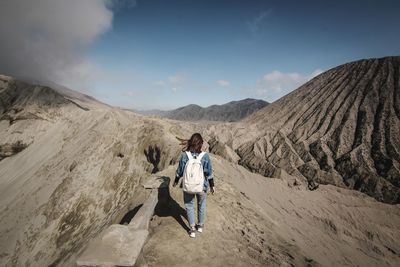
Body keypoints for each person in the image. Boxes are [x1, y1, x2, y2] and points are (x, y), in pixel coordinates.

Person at [173, 133, 215, 238]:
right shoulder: (205, 156)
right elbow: (209, 173)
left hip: (188, 187)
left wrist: (176, 181)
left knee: (189, 206)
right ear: (200, 144)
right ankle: (200, 226)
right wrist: (212, 186)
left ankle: (192, 230)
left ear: (191, 142)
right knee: (201, 205)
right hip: (202, 187)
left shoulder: (184, 156)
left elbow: (179, 172)